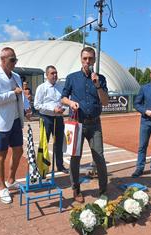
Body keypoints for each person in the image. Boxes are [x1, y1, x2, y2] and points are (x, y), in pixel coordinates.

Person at [61, 47, 109, 203]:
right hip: (77, 124)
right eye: (85, 58)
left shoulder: (100, 79)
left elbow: (105, 101)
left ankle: (103, 190)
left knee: (99, 157)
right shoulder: (72, 78)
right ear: (81, 59)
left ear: (94, 60)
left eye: (90, 58)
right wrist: (70, 102)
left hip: (95, 124)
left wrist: (97, 86)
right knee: (75, 158)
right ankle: (76, 189)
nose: (88, 61)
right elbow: (63, 98)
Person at [0, 47, 30, 204]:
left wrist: (26, 109)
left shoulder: (16, 76)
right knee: (1, 154)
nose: (15, 63)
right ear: (3, 59)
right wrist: (13, 93)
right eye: (12, 60)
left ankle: (11, 180)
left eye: (15, 60)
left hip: (16, 120)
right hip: (1, 123)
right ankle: (2, 186)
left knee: (19, 151)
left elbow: (22, 96)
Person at [34, 65, 69, 174]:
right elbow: (37, 105)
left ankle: (60, 165)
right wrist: (52, 109)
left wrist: (63, 109)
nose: (55, 75)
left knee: (59, 142)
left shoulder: (60, 87)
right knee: (44, 142)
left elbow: (64, 101)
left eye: (56, 73)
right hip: (46, 118)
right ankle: (42, 167)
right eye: (52, 73)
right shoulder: (41, 88)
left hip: (58, 118)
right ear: (47, 75)